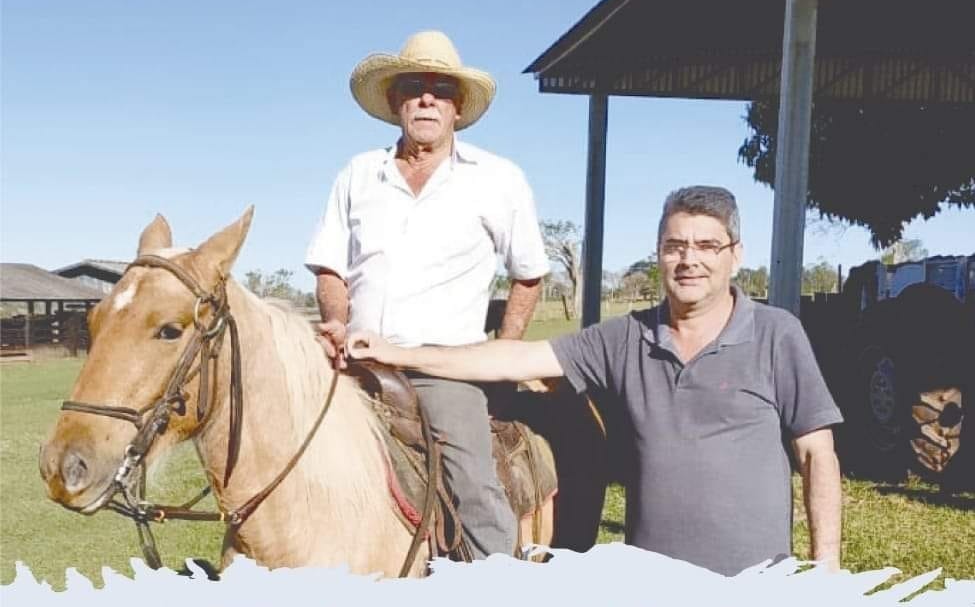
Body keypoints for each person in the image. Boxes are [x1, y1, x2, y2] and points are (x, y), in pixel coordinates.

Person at [347, 185, 844, 577]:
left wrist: (826, 567)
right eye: (675, 246)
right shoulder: (625, 338)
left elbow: (816, 453)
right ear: (659, 254)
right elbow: (514, 359)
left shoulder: (777, 334)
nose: (689, 259)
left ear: (735, 255)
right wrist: (399, 353)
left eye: (707, 246)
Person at [304, 30, 549, 559]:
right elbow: (330, 267)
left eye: (441, 89)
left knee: (472, 482)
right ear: (396, 102)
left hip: (444, 369)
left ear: (458, 108)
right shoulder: (357, 175)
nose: (427, 99)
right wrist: (337, 324)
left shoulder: (498, 179)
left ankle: (497, 580)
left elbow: (528, 274)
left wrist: (501, 355)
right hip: (356, 359)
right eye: (414, 87)